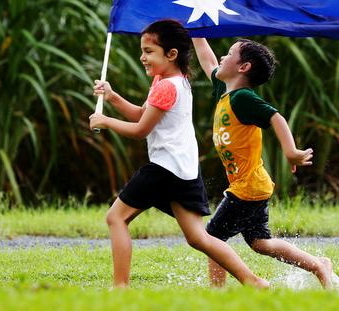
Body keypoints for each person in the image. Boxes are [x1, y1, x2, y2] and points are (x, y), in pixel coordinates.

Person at [89, 20, 268, 289]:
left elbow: (140, 129)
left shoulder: (165, 86)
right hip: (184, 169)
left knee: (116, 217)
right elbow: (143, 114)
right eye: (142, 51)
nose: (142, 57)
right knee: (198, 238)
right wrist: (112, 97)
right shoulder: (174, 81)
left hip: (164, 167)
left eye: (149, 51)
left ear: (171, 54)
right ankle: (253, 281)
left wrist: (105, 121)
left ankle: (120, 289)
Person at [192, 37, 339, 290]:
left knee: (212, 237)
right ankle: (319, 264)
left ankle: (216, 294)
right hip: (254, 184)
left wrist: (291, 151)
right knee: (260, 243)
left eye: (229, 54)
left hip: (248, 187)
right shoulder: (225, 92)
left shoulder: (242, 98)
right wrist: (197, 33)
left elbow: (275, 116)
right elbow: (208, 60)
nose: (222, 57)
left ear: (244, 67)